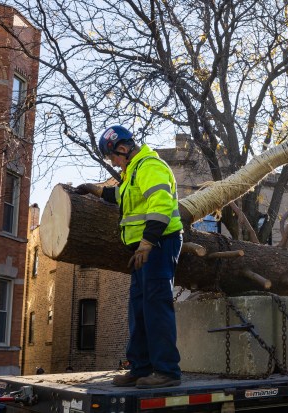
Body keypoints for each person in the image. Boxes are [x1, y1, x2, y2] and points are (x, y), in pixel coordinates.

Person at [76, 125, 183, 389]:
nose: (113, 161)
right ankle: (141, 367)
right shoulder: (133, 171)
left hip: (158, 244)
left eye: (112, 156)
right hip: (143, 250)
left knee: (156, 307)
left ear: (122, 148)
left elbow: (160, 204)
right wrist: (95, 189)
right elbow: (123, 196)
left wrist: (147, 242)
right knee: (138, 308)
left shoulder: (149, 166)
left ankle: (167, 371)